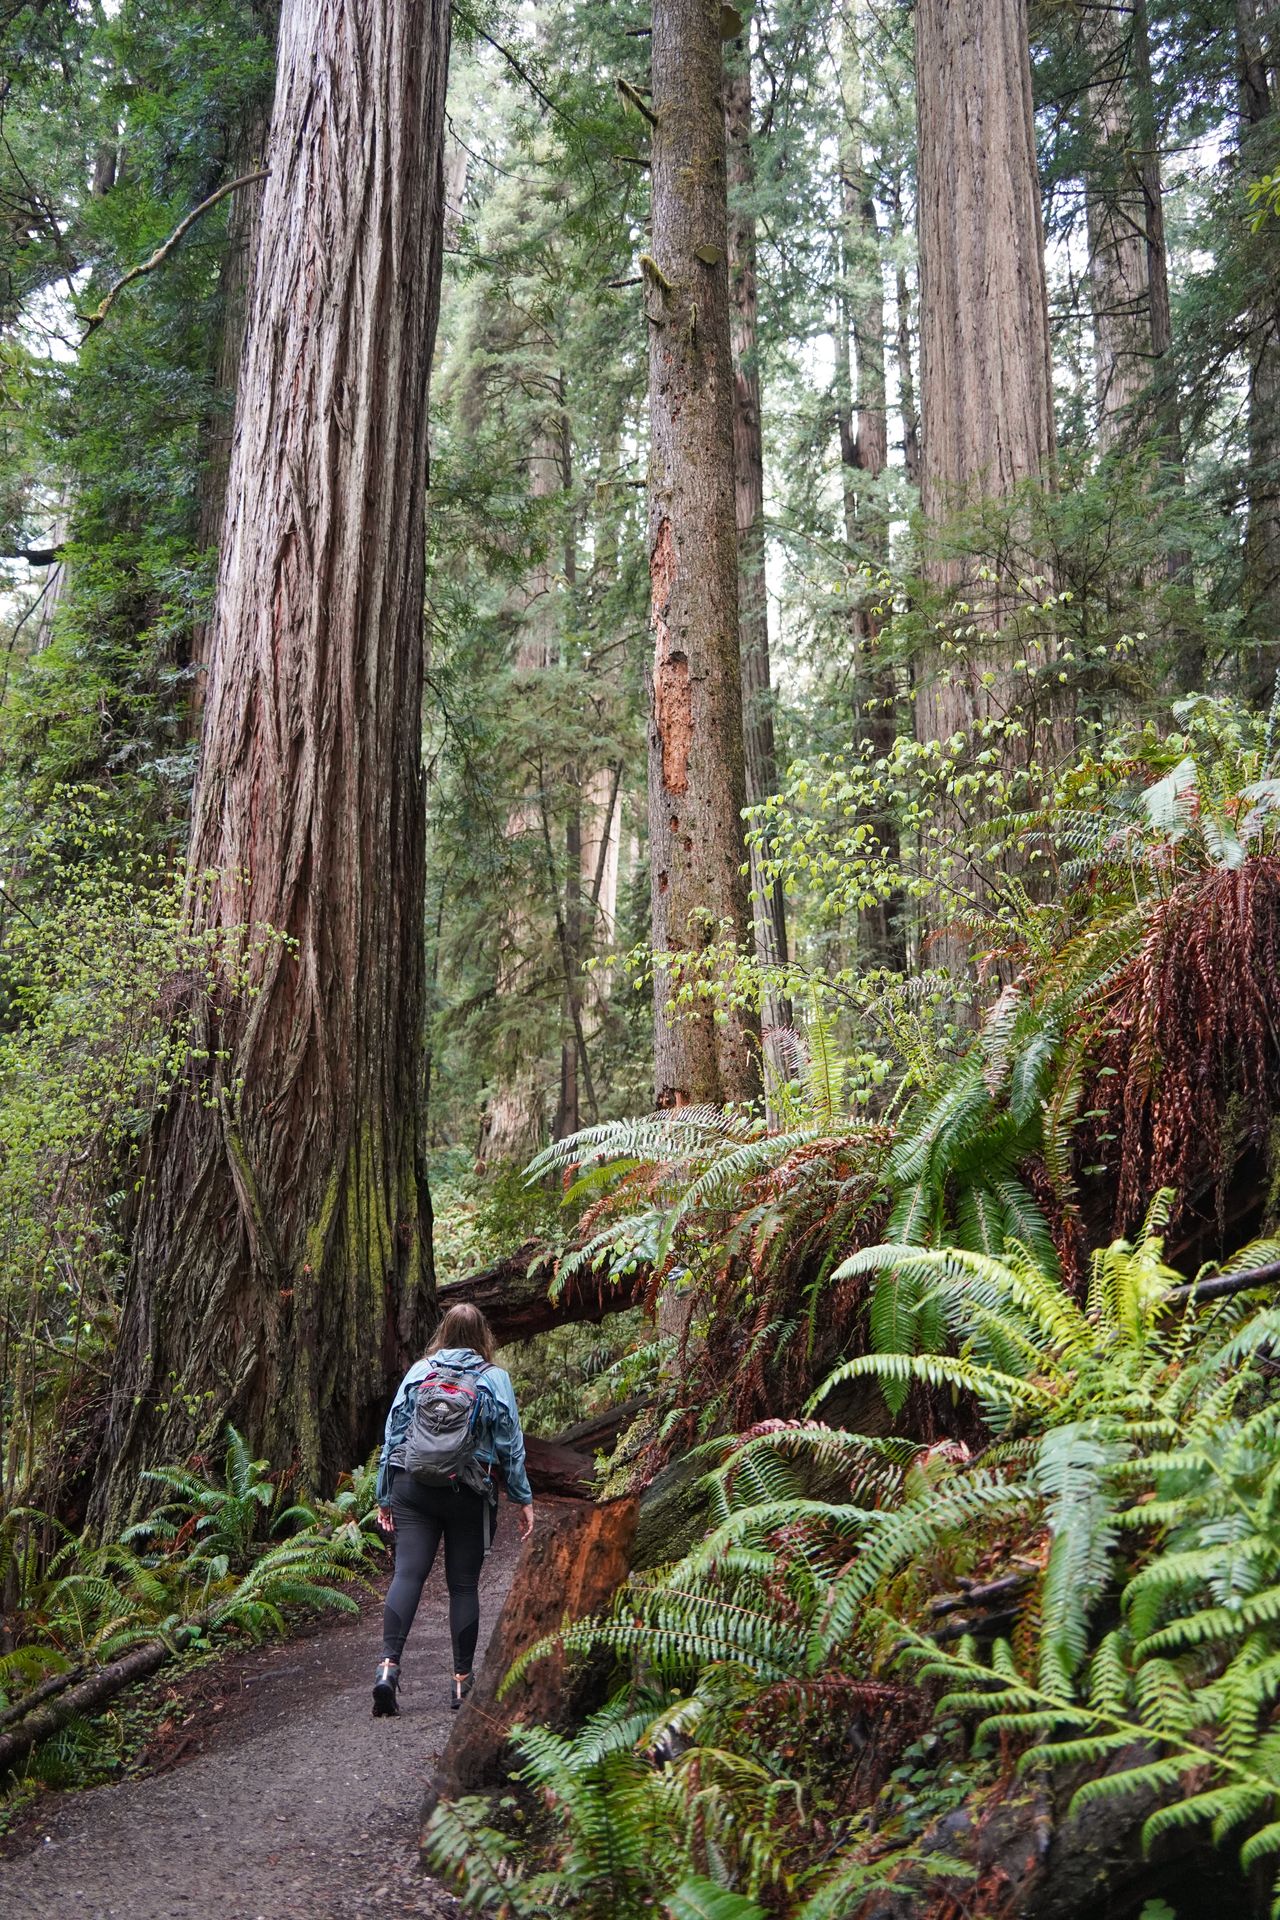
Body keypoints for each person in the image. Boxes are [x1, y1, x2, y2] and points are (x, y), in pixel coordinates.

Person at [372, 1303, 534, 1717]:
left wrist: (385, 1493)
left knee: (408, 1572)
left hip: (413, 1486)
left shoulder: (421, 1370)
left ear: (443, 1332)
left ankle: (388, 1670)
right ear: (484, 1336)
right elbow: (509, 1442)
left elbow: (393, 1431)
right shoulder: (494, 1377)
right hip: (468, 1490)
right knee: (463, 1586)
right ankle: (461, 1683)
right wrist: (522, 1497)